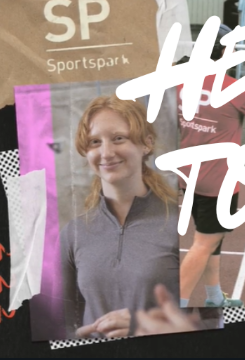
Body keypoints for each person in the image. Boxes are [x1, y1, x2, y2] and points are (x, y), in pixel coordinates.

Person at [60, 96, 219, 339]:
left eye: (118, 138)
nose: (106, 152)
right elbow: (61, 321)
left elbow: (214, 319)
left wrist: (151, 326)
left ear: (146, 143)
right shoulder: (73, 233)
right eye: (94, 142)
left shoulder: (182, 223)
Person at [176, 24, 245, 308]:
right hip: (219, 182)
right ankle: (174, 310)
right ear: (225, 51)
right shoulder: (234, 88)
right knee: (204, 244)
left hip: (188, 176)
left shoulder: (182, 81)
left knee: (210, 240)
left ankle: (214, 298)